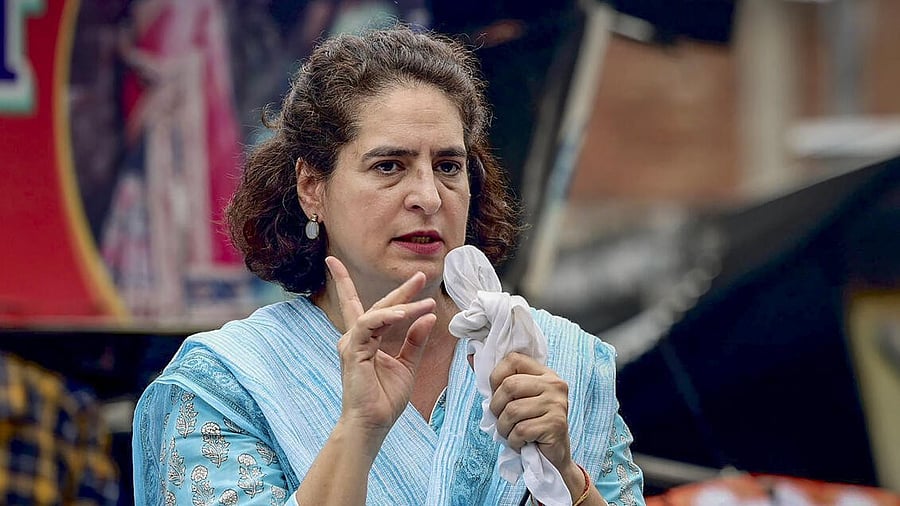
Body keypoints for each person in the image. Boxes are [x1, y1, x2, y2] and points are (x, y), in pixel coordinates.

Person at [132, 26, 644, 505]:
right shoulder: (229, 383)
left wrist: (567, 478)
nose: (427, 196)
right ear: (312, 187)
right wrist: (357, 430)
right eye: (389, 166)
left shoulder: (558, 362)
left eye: (448, 166)